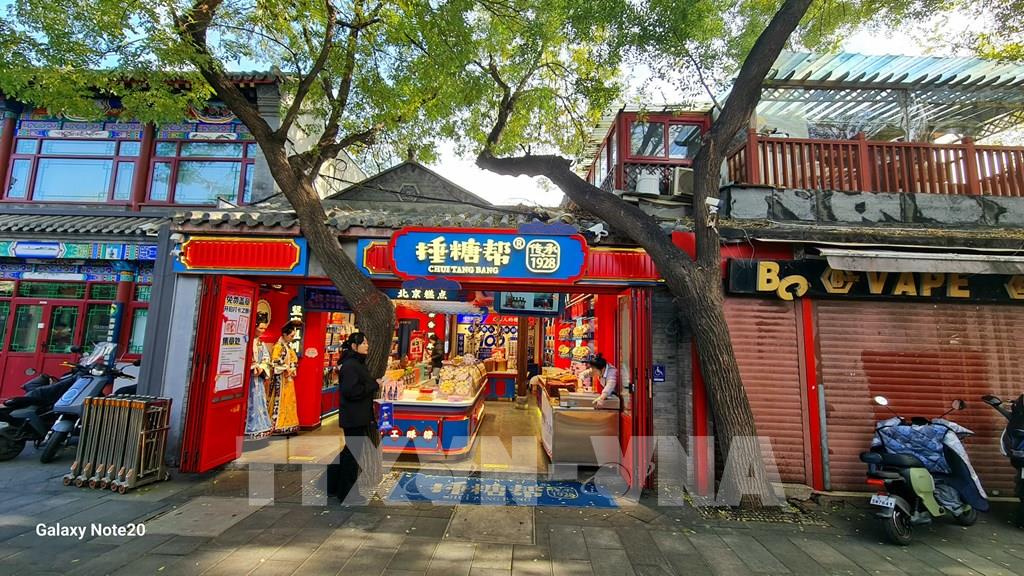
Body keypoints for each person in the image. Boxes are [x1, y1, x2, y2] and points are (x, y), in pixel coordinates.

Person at [333, 332, 381, 504]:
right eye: (364, 343)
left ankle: (332, 485)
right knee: (352, 455)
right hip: (353, 417)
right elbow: (351, 391)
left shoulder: (357, 363)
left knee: (349, 452)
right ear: (354, 346)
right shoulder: (350, 365)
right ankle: (347, 493)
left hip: (358, 416)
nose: (367, 346)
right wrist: (374, 385)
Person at [268, 320, 301, 435]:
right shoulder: (278, 346)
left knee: (289, 400)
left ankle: (288, 423)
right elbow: (275, 361)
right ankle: (278, 424)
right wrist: (287, 368)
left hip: (287, 378)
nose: (293, 338)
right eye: (291, 336)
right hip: (280, 378)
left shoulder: (287, 347)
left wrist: (292, 367)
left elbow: (294, 360)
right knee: (280, 399)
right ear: (284, 334)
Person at [245, 322, 273, 439]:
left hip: (258, 377)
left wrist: (261, 367)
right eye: (260, 328)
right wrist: (253, 366)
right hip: (248, 378)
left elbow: (266, 359)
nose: (263, 331)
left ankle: (259, 426)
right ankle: (248, 427)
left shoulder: (261, 343)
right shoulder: (246, 341)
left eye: (264, 328)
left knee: (259, 401)